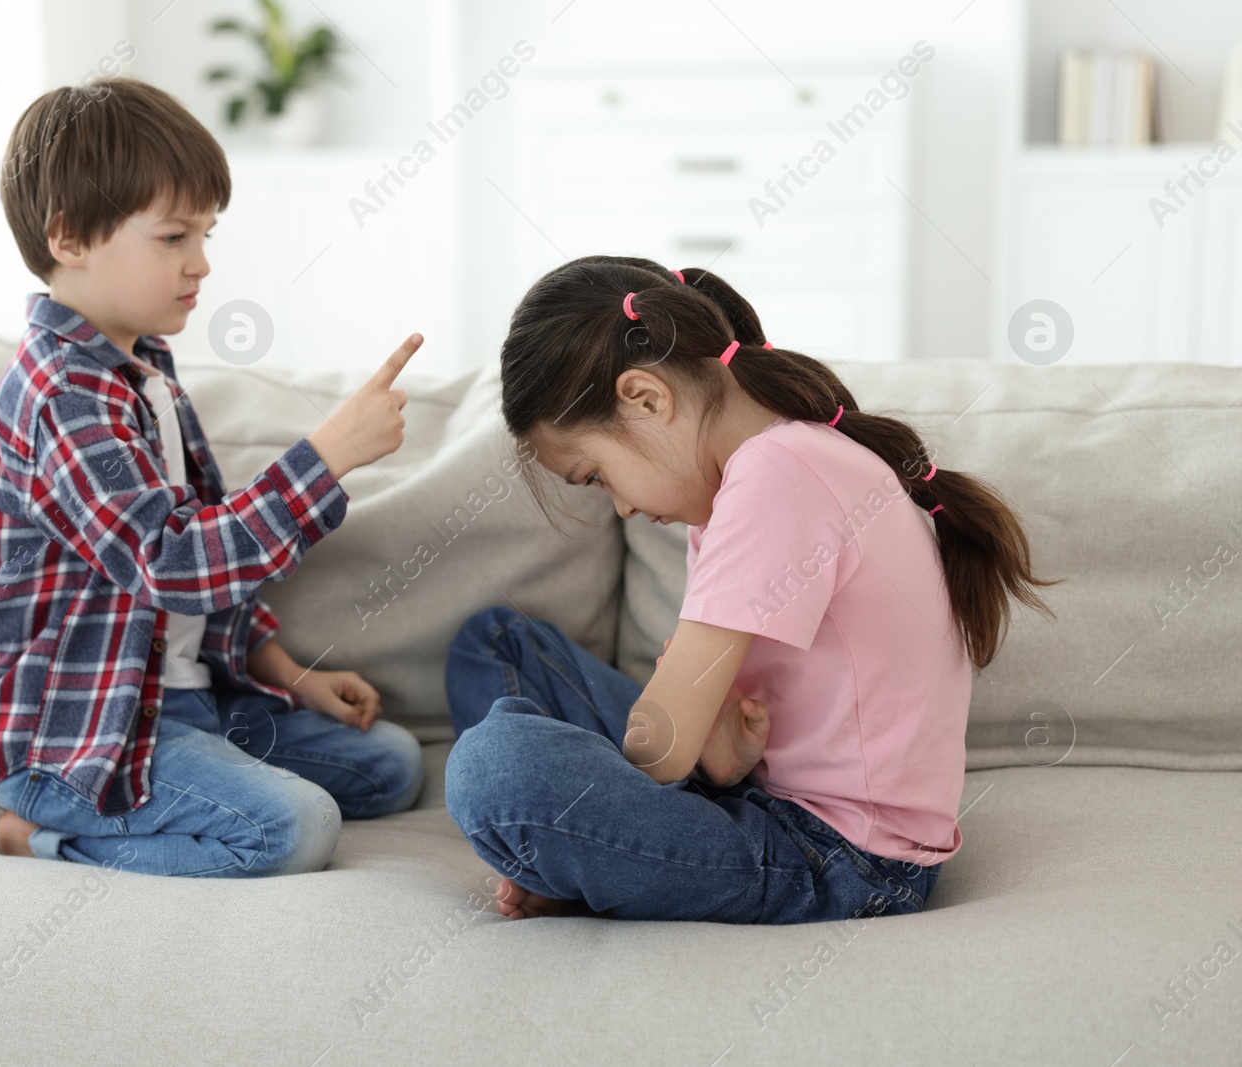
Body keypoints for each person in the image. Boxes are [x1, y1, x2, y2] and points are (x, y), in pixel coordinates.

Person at [444, 255, 1061, 923]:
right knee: (497, 644)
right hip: (760, 793)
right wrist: (715, 761)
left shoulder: (776, 477)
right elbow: (690, 732)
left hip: (840, 859)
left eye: (595, 475)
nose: (619, 507)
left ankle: (569, 854)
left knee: (495, 771)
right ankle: (576, 852)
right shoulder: (764, 466)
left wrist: (696, 756)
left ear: (645, 398)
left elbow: (665, 741)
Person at [0, 76, 425, 877]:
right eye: (174, 238)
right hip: (77, 734)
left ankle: (194, 768)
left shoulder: (145, 371)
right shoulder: (63, 395)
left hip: (176, 704)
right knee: (297, 828)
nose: (201, 263)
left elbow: (203, 581)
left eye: (206, 235)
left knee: (392, 764)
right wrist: (329, 454)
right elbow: (172, 561)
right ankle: (36, 832)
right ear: (69, 238)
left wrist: (287, 674)